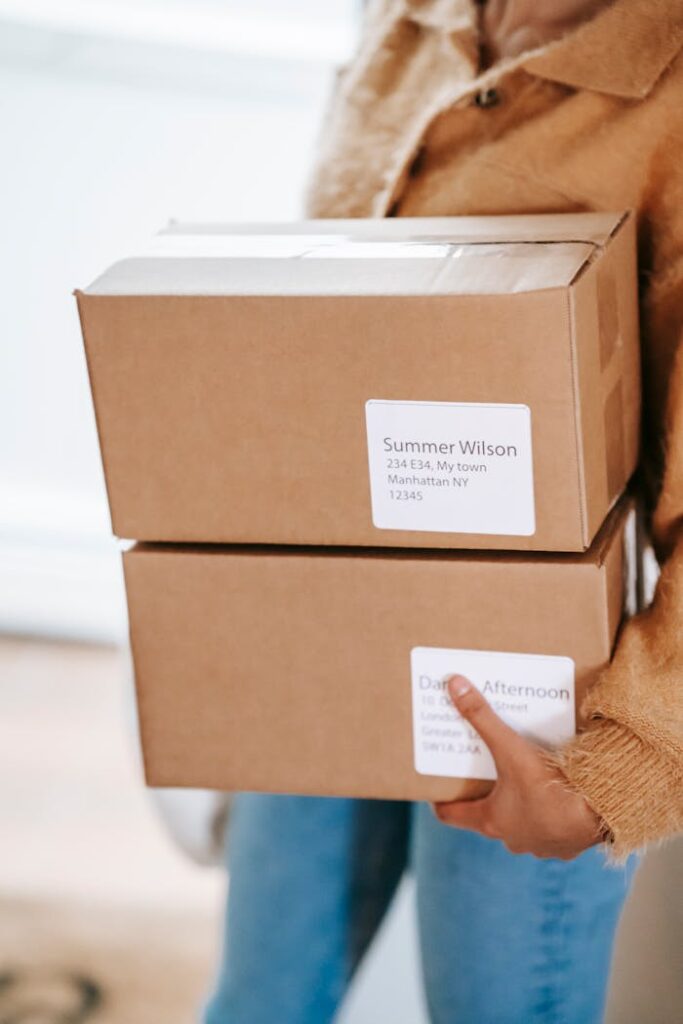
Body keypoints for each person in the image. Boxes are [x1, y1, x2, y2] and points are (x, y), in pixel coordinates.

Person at [204, 1, 683, 1021]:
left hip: (532, 698)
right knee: (256, 1000)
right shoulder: (402, 16)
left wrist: (610, 773)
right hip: (320, 618)